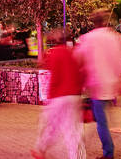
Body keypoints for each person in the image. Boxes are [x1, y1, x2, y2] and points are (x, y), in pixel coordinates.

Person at [74, 8, 121, 159]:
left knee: (101, 122)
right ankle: (107, 146)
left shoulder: (88, 38)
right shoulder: (114, 37)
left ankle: (108, 153)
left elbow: (79, 59)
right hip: (111, 83)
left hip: (97, 85)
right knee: (103, 118)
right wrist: (119, 78)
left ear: (93, 22)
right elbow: (118, 60)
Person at [31, 29, 85, 159]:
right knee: (73, 130)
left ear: (54, 41)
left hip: (58, 96)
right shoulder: (73, 53)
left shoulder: (53, 53)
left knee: (49, 125)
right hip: (74, 95)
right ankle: (77, 157)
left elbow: (43, 65)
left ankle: (40, 149)